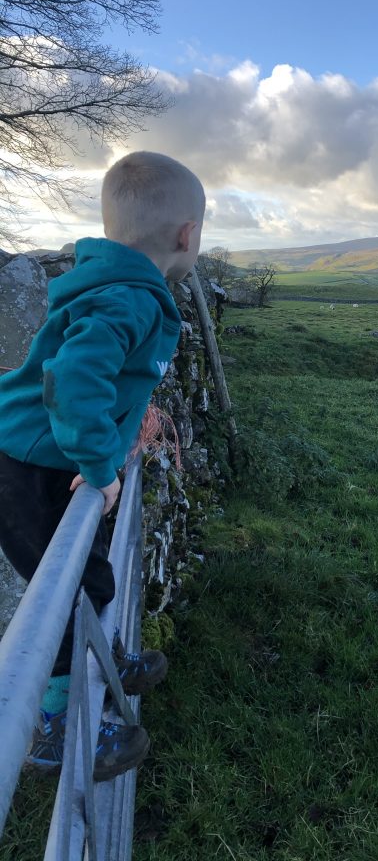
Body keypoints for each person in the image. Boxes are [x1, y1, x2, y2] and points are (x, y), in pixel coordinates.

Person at [0, 151, 206, 781]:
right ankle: (52, 729)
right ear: (186, 236)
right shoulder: (131, 299)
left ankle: (106, 659)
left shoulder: (110, 283)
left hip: (36, 452)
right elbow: (75, 375)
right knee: (60, 585)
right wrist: (99, 465)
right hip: (33, 464)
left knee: (88, 571)